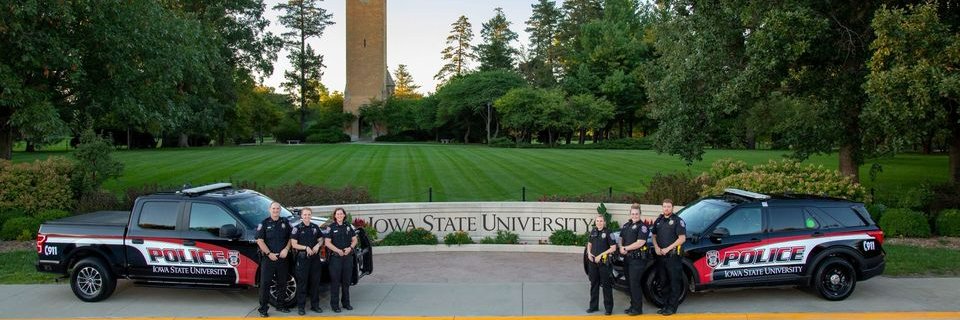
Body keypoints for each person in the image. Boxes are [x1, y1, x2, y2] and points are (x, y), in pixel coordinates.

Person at [255, 202, 292, 317]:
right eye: (273, 208)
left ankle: (280, 305)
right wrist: (268, 253)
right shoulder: (264, 223)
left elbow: (291, 237)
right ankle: (263, 309)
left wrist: (286, 249)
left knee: (282, 283)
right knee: (265, 284)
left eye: (277, 208)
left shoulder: (285, 222)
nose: (276, 210)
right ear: (269, 209)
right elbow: (259, 240)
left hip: (282, 258)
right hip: (268, 258)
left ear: (280, 210)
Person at [652, 199, 686, 316]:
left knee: (674, 282)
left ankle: (672, 308)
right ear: (662, 207)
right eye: (664, 206)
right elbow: (654, 235)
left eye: (669, 207)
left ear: (673, 208)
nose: (666, 209)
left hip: (673, 257)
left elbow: (682, 238)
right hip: (661, 256)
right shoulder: (659, 220)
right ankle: (665, 306)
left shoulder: (678, 221)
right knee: (663, 281)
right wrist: (656, 247)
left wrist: (668, 248)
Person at [290, 208, 324, 315]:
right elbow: (293, 244)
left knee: (315, 283)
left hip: (315, 259)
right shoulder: (297, 228)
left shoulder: (315, 227)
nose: (307, 216)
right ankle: (301, 307)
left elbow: (321, 239)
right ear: (301, 216)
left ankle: (315, 306)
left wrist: (318, 245)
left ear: (311, 215)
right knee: (302, 284)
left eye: (309, 214)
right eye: (305, 215)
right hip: (302, 258)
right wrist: (305, 248)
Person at [324, 207, 358, 313]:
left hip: (347, 257)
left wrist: (350, 248)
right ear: (334, 216)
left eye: (341, 214)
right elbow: (327, 242)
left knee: (346, 282)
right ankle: (335, 305)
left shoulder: (348, 226)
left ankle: (346, 303)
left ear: (344, 215)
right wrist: (338, 250)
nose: (339, 215)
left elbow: (355, 239)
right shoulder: (331, 227)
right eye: (337, 214)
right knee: (335, 282)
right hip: (336, 258)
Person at [619, 203, 650, 316]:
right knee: (630, 283)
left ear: (640, 214)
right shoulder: (626, 225)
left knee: (635, 283)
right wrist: (621, 246)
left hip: (637, 260)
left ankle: (637, 309)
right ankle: (633, 306)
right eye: (633, 214)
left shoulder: (643, 227)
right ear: (630, 214)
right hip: (627, 259)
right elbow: (621, 238)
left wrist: (625, 248)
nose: (635, 215)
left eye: (637, 214)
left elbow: (640, 242)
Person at [586, 214, 617, 316]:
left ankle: (608, 309)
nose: (599, 223)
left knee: (606, 286)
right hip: (593, 262)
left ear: (604, 222)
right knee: (594, 284)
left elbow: (613, 247)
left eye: (601, 221)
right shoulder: (593, 231)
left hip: (604, 262)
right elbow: (589, 243)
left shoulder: (608, 232)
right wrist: (589, 253)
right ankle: (593, 306)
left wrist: (601, 255)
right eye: (597, 221)